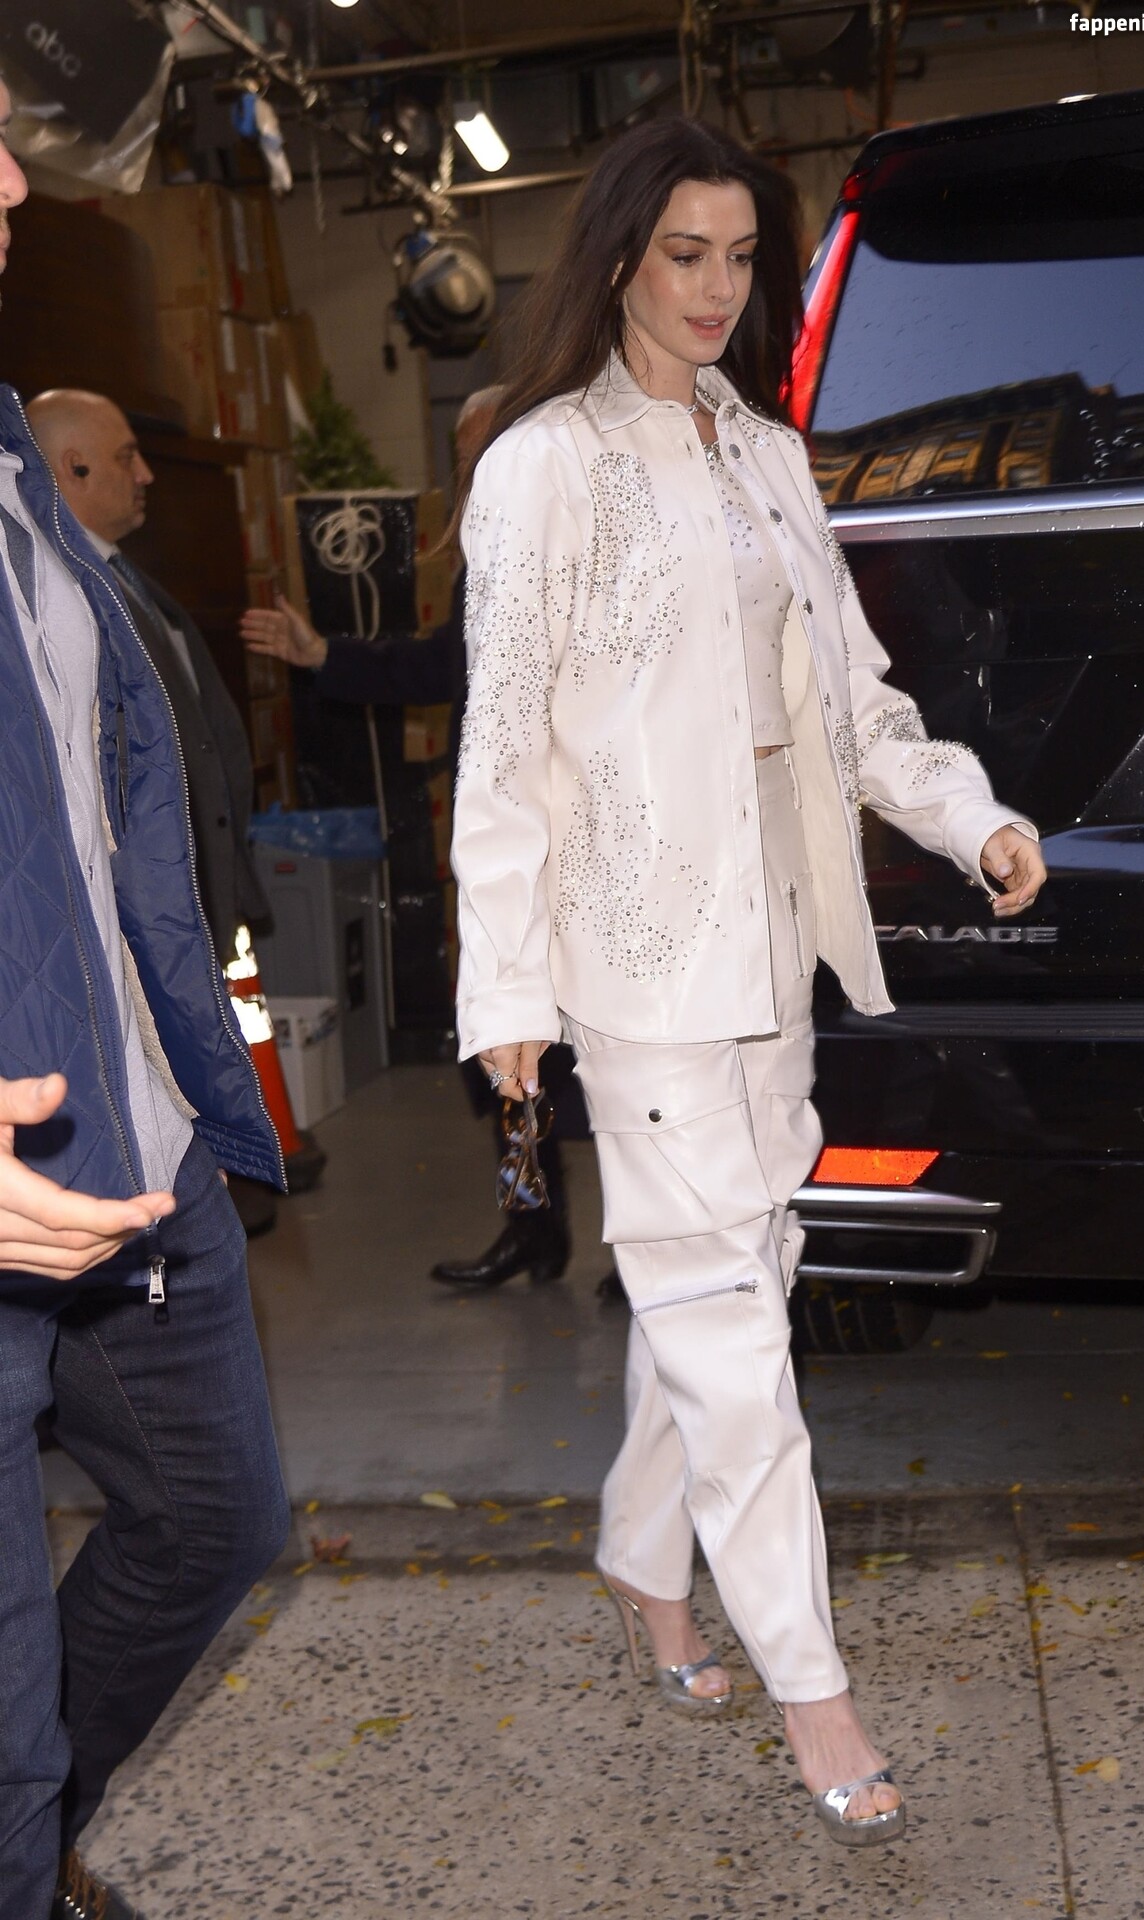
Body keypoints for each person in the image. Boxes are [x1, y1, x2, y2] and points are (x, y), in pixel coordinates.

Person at [449, 116, 1046, 1847]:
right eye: (682, 254)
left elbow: (853, 703)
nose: (714, 288)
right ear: (618, 258)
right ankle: (813, 1687)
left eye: (738, 259)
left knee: (736, 1282)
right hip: (634, 963)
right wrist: (505, 991)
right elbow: (501, 748)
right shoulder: (544, 466)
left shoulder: (768, 456)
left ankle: (644, 1562)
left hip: (772, 950)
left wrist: (968, 817)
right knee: (725, 1327)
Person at [0, 88, 290, 1920]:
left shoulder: (13, 467)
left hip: (129, 1149)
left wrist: (191, 1078)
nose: (13, 175)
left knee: (216, 1519)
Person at [239, 387, 596, 1294]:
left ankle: (651, 1245)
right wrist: (324, 656)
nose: (470, 473)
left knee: (613, 1056)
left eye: (485, 452)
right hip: (508, 852)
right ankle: (532, 1223)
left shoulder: (584, 541)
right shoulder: (491, 551)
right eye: (465, 457)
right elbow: (445, 662)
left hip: (586, 851)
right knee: (503, 1050)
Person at [26, 388, 271, 974]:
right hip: (143, 922)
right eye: (126, 457)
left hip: (191, 904)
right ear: (73, 467)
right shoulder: (61, 596)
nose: (146, 474)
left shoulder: (118, 574)